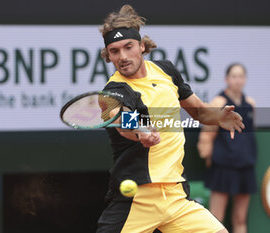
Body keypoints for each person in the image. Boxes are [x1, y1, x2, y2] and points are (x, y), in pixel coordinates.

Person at [96, 5, 244, 233]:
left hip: (175, 195)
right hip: (137, 197)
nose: (123, 57)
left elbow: (198, 111)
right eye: (114, 51)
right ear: (109, 56)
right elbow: (121, 120)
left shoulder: (166, 71)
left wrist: (217, 117)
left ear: (142, 46)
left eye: (128, 47)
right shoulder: (114, 91)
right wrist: (140, 131)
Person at [197, 63, 257, 233]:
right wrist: (208, 156)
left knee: (240, 218)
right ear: (226, 79)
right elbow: (208, 133)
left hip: (245, 166)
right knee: (216, 219)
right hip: (223, 166)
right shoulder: (219, 102)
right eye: (234, 76)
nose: (237, 80)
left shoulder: (250, 103)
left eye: (240, 76)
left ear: (244, 79)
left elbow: (251, 132)